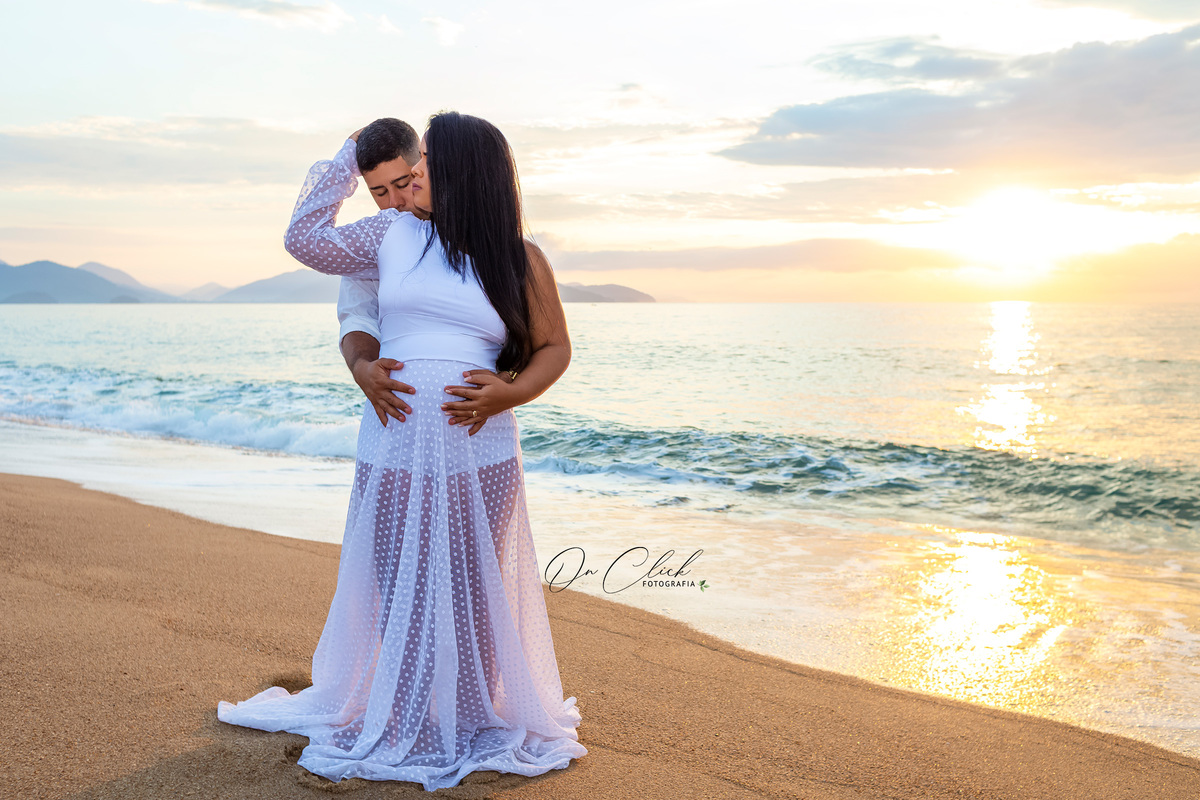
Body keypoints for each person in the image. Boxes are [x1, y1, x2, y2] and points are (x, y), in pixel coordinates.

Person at [216, 111, 587, 790]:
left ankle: (472, 713)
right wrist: (349, 152)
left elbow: (555, 346)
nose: (414, 174)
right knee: (394, 580)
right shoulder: (391, 232)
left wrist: (510, 393)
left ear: (466, 174)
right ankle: (406, 708)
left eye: (429, 163)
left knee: (476, 586)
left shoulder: (519, 257)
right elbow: (304, 240)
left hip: (483, 449)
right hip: (394, 441)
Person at [334, 117, 505, 433]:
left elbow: (521, 326)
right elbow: (357, 317)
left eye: (401, 184)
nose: (394, 202)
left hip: (474, 426)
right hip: (400, 420)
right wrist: (362, 369)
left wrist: (510, 381)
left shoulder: (480, 232)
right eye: (378, 192)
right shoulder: (378, 240)